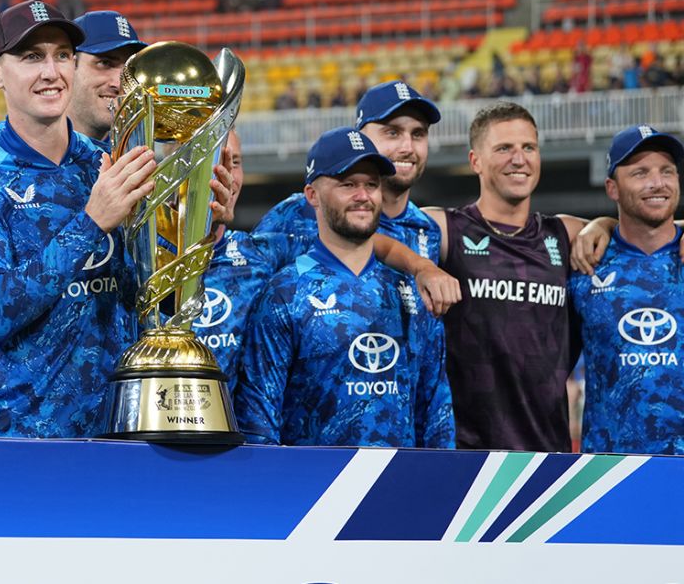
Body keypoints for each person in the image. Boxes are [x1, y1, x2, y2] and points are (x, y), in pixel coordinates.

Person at [0, 1, 234, 438]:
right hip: (14, 435)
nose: (50, 71)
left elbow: (155, 303)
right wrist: (91, 222)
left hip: (118, 426)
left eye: (62, 56)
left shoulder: (111, 165)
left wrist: (201, 234)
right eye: (32, 57)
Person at [232, 127, 454, 448]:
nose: (363, 196)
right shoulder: (285, 292)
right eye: (348, 184)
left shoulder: (412, 293)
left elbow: (436, 414)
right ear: (312, 195)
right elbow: (259, 421)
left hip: (400, 478)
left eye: (371, 185)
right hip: (317, 480)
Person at [423, 102, 590, 451]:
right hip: (466, 452)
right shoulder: (445, 228)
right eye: (504, 148)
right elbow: (372, 228)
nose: (519, 159)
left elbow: (641, 233)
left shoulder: (565, 234)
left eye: (528, 147)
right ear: (475, 161)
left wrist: (603, 223)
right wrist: (420, 265)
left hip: (547, 450)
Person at [570, 126, 684, 454]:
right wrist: (599, 223)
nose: (657, 183)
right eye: (640, 173)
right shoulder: (585, 263)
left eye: (667, 171)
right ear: (612, 188)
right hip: (610, 471)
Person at [0, 7, 148, 176]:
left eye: (130, 68)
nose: (120, 82)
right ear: (72, 66)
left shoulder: (129, 160)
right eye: (104, 63)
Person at [257, 80, 445, 265]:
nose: (408, 148)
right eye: (392, 133)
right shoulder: (299, 212)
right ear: (361, 137)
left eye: (418, 134)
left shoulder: (428, 230)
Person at [199, 129, 295, 383]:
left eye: (235, 162)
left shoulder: (261, 257)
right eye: (215, 161)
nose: (229, 176)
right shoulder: (144, 259)